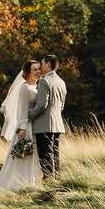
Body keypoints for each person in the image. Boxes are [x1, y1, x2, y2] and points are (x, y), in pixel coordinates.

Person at [0, 60, 42, 191]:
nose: (38, 72)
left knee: (32, 155)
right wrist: (23, 128)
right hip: (25, 127)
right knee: (22, 155)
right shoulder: (24, 87)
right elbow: (22, 109)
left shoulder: (37, 87)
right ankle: (15, 186)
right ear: (28, 72)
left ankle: (31, 183)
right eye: (34, 70)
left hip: (34, 125)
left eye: (39, 69)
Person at [28, 53, 67, 181]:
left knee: (45, 154)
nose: (41, 67)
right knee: (55, 153)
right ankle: (57, 179)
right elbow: (61, 106)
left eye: (42, 63)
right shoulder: (61, 82)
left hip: (44, 125)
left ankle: (48, 180)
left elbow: (41, 105)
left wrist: (29, 116)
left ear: (48, 64)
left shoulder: (45, 81)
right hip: (57, 124)